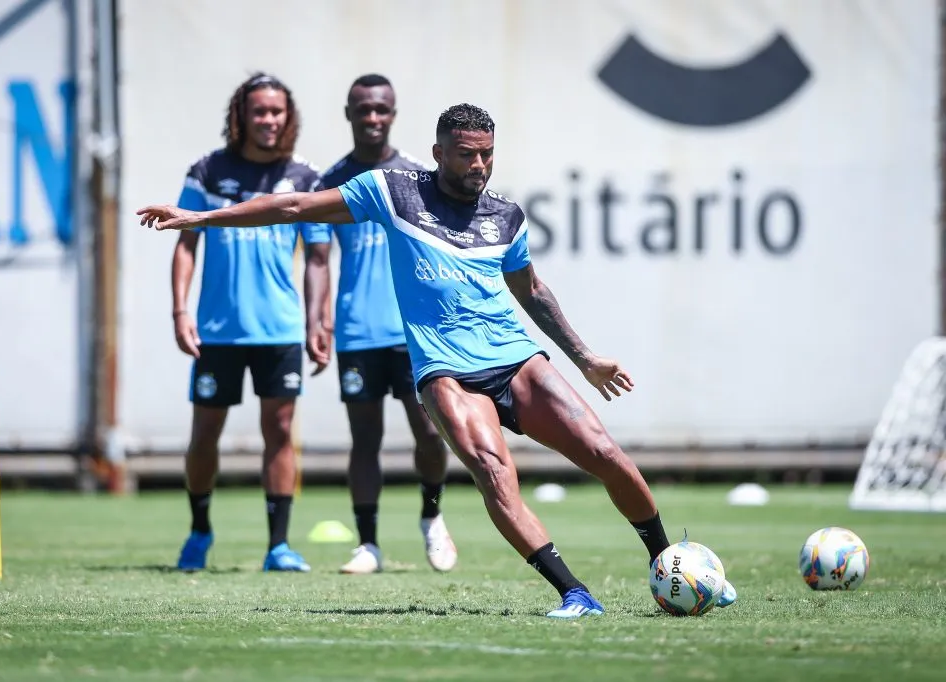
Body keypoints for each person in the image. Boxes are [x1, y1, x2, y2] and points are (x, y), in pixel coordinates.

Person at [140, 103, 737, 617]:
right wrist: (202, 218)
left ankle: (672, 564)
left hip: (514, 359)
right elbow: (295, 207)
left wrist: (585, 359)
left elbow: (530, 290)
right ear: (438, 152)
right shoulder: (391, 190)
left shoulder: (506, 215)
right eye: (466, 155)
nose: (478, 166)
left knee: (605, 453)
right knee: (495, 474)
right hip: (447, 371)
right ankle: (575, 595)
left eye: (487, 155)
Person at [170, 72, 331, 573]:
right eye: (258, 111)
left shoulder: (305, 178)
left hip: (279, 329)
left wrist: (316, 321)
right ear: (240, 116)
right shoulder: (208, 171)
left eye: (276, 111)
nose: (268, 120)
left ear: (289, 118)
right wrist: (180, 310)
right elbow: (186, 242)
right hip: (217, 329)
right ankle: (199, 531)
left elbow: (319, 257)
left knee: (279, 430)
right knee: (205, 434)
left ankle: (278, 546)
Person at [306, 74, 456, 575]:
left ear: (393, 114)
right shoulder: (328, 183)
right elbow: (319, 258)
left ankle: (432, 517)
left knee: (432, 435)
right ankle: (367, 544)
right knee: (364, 440)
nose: (373, 118)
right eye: (363, 109)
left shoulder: (417, 178)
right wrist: (317, 320)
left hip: (416, 334)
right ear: (348, 114)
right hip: (357, 331)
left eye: (381, 110)